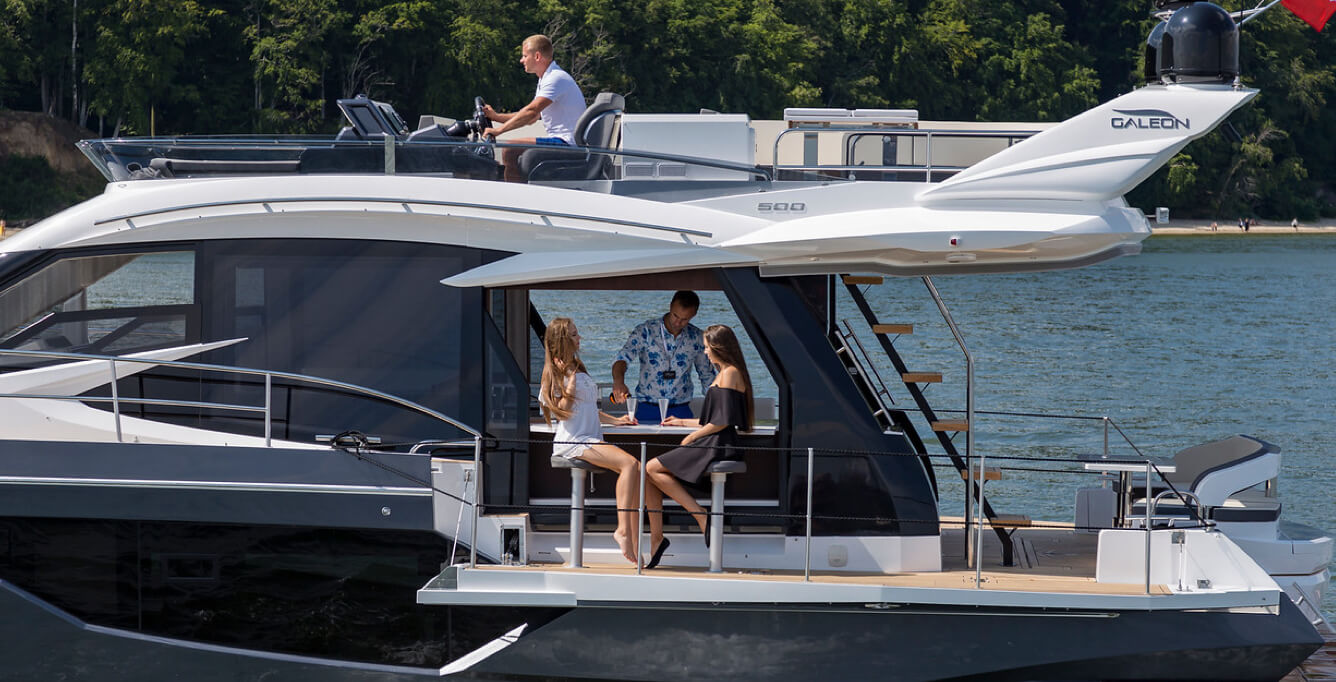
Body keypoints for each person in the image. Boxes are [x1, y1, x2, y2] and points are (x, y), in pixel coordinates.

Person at [641, 324, 754, 568]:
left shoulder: (730, 372)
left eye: (705, 347)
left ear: (717, 347)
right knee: (648, 473)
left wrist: (692, 436)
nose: (704, 353)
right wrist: (682, 421)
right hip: (713, 439)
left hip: (718, 444)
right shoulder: (724, 372)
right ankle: (657, 538)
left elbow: (722, 422)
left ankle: (701, 516)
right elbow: (711, 419)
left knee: (650, 468)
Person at [539, 317, 642, 563]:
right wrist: (571, 382)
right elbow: (561, 411)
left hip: (590, 437)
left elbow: (589, 409)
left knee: (635, 468)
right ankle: (622, 530)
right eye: (574, 335)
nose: (579, 338)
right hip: (573, 442)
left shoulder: (577, 366)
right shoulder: (553, 374)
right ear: (563, 340)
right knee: (630, 465)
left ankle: (634, 540)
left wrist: (618, 421)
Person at [482, 34, 586, 182]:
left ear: (537, 56)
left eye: (524, 56)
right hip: (562, 141)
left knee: (510, 149)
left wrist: (498, 130)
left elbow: (531, 111)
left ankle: (514, 199)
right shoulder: (545, 78)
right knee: (512, 149)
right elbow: (531, 117)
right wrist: (495, 117)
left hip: (566, 143)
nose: (521, 60)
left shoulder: (555, 78)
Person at [611, 290, 715, 424]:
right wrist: (618, 382)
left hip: (681, 409)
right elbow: (622, 359)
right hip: (647, 407)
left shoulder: (697, 337)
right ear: (670, 306)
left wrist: (718, 406)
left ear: (694, 315)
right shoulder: (646, 331)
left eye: (684, 319)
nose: (678, 322)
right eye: (675, 316)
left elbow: (706, 376)